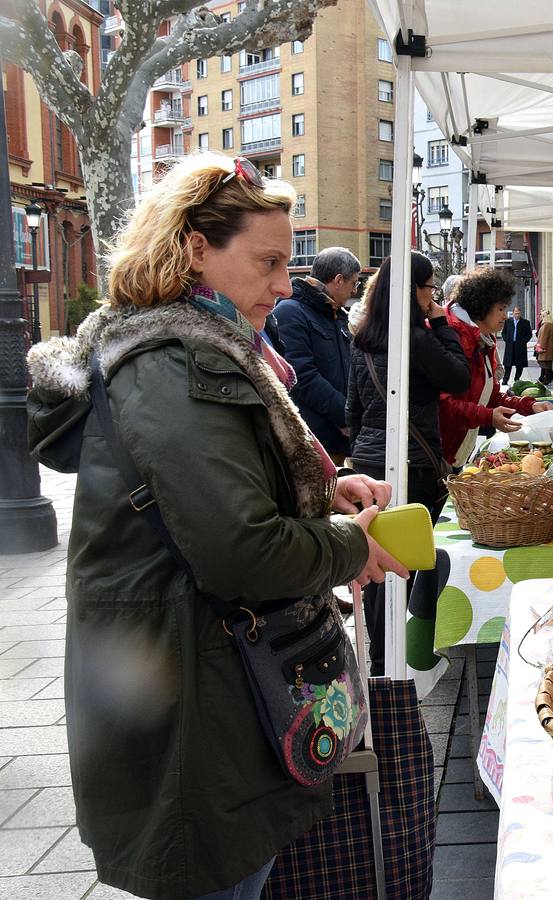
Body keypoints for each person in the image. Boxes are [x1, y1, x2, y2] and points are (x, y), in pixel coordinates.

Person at [25, 153, 407, 899]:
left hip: (191, 666)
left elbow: (214, 489)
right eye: (266, 262)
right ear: (196, 248)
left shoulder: (192, 347)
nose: (280, 284)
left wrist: (326, 488)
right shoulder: (177, 363)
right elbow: (241, 548)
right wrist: (351, 545)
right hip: (192, 678)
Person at [348, 251, 471, 674]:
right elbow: (459, 378)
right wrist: (441, 324)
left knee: (377, 563)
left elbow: (353, 409)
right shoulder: (416, 338)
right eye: (429, 288)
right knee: (404, 565)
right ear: (412, 290)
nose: (432, 296)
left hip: (369, 462)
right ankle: (395, 661)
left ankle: (378, 658)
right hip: (410, 463)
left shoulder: (362, 336)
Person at [439, 268, 553, 465]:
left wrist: (530, 406)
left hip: (456, 451)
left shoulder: (484, 341)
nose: (505, 316)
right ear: (482, 307)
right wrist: (488, 416)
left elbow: (490, 396)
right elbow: (443, 405)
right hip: (438, 450)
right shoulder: (454, 338)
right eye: (501, 309)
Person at [271, 246, 362, 462]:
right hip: (313, 439)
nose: (354, 291)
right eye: (354, 283)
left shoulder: (335, 314)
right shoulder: (290, 311)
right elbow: (301, 376)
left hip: (336, 437)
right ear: (338, 280)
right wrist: (345, 415)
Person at [502, 306, 533, 385]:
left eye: (518, 313)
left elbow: (529, 334)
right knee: (508, 364)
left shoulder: (525, 322)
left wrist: (523, 341)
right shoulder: (508, 322)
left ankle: (517, 378)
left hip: (520, 346)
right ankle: (505, 379)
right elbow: (503, 332)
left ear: (520, 313)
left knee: (520, 364)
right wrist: (507, 339)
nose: (517, 315)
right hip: (510, 345)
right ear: (513, 313)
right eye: (515, 313)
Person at [535, 309, 553, 385]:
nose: (541, 317)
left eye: (542, 315)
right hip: (547, 348)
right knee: (545, 365)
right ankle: (544, 378)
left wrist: (540, 347)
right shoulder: (548, 324)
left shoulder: (546, 325)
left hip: (545, 349)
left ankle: (547, 379)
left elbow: (543, 338)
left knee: (545, 365)